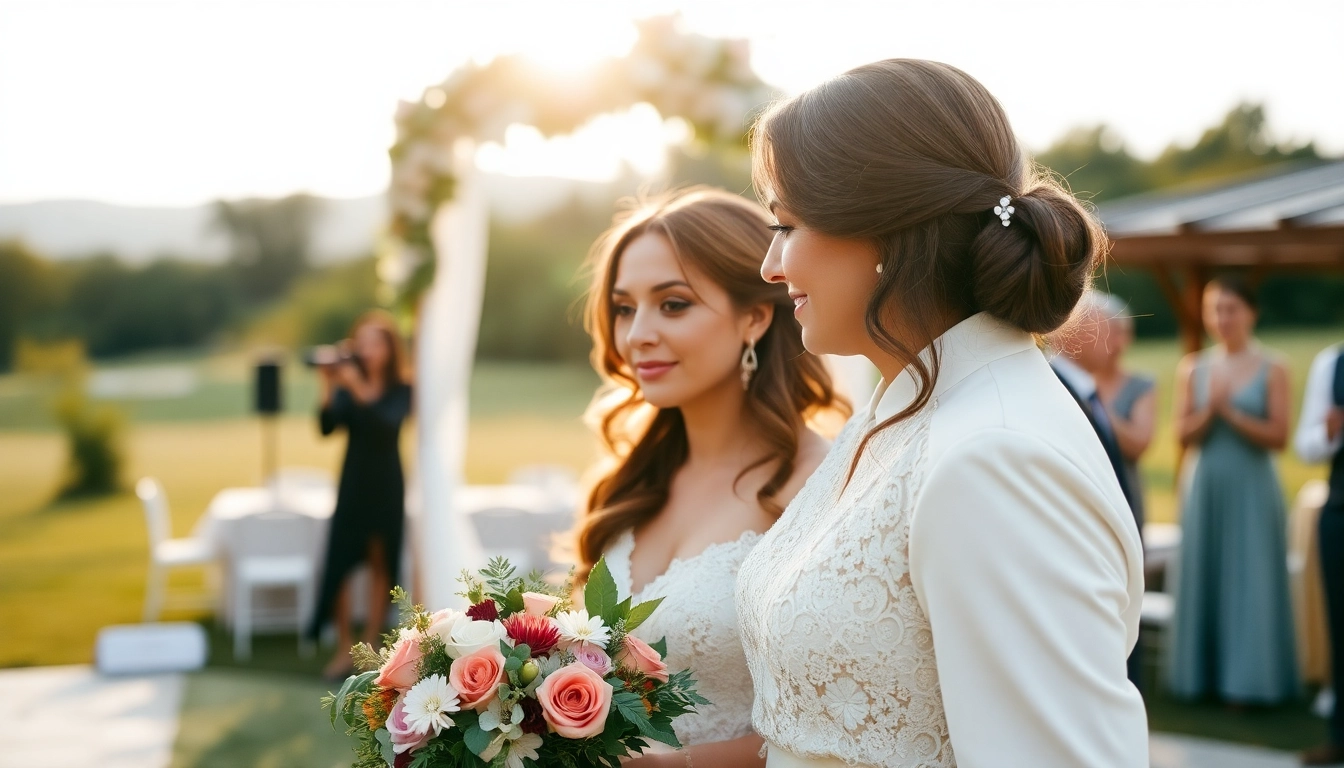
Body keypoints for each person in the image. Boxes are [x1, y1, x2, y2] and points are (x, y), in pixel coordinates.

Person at [736, 59, 1148, 768]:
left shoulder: (997, 454)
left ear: (885, 231)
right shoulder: (905, 410)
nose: (772, 265)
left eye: (788, 224)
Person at [574, 187, 847, 767]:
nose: (637, 334)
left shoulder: (819, 486)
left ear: (753, 315)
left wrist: (673, 765)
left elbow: (847, 720)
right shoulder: (630, 482)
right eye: (625, 308)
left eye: (673, 304)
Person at [1167, 277, 1298, 705]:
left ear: (1251, 313)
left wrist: (1232, 413)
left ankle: (1250, 682)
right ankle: (1198, 677)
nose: (1223, 319)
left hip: (1252, 486)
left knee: (1252, 578)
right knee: (1204, 572)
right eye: (1215, 310)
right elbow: (1181, 434)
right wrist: (1210, 410)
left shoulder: (1274, 367)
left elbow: (1280, 437)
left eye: (1231, 309)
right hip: (1205, 484)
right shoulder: (1194, 368)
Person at [306, 310, 414, 681]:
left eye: (374, 342)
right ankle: (342, 649)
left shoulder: (402, 388)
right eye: (361, 341)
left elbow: (387, 425)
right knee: (340, 563)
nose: (366, 349)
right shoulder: (349, 381)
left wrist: (354, 386)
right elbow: (326, 427)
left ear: (390, 348)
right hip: (353, 482)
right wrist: (328, 386)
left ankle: (370, 647)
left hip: (386, 483)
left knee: (381, 561)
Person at [1048, 292, 1145, 689]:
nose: (1120, 343)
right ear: (1080, 330)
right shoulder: (1056, 391)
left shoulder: (1084, 389)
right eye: (1112, 330)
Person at [1296, 340, 1344, 766]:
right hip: (1340, 511)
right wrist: (1328, 433)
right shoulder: (1331, 362)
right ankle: (1340, 737)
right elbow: (1305, 446)